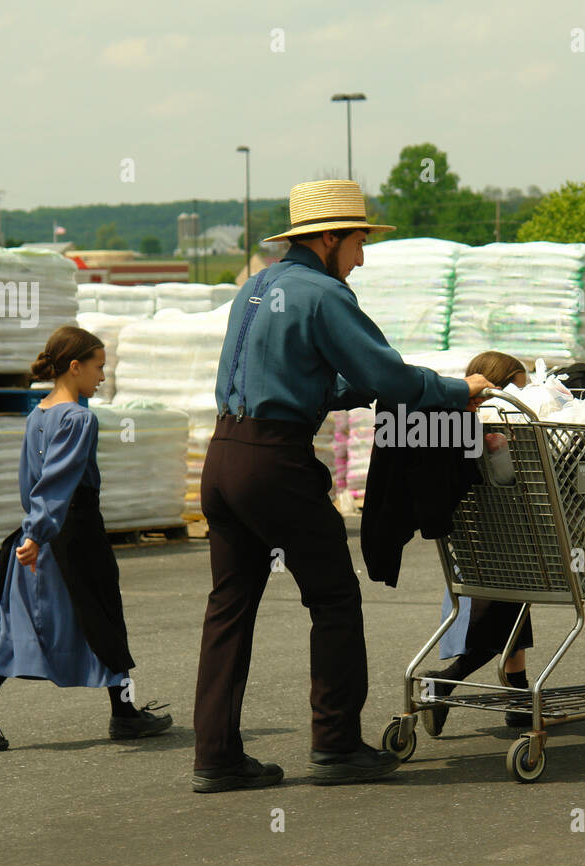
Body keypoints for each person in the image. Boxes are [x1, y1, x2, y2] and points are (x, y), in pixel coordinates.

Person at [193, 180, 493, 793]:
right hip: (275, 465)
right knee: (333, 598)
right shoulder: (323, 294)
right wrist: (461, 389)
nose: (362, 255)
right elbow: (391, 376)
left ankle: (216, 757)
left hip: (224, 460)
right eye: (358, 241)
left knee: (229, 608)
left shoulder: (256, 287)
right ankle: (334, 744)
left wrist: (355, 389)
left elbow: (309, 380)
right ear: (329, 239)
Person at [0, 327, 172, 751]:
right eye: (99, 366)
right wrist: (38, 531)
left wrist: (33, 528)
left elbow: (30, 481)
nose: (103, 377)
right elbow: (58, 481)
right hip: (74, 533)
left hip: (45, 532)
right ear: (75, 366)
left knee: (26, 624)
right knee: (103, 615)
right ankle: (122, 716)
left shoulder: (39, 414)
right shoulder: (79, 418)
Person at [420, 351, 534, 735]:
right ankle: (445, 682)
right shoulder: (491, 423)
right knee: (501, 620)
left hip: (477, 538)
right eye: (520, 384)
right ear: (500, 384)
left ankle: (518, 703)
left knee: (511, 613)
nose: (526, 393)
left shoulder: (461, 423)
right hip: (501, 537)